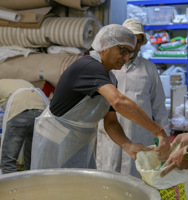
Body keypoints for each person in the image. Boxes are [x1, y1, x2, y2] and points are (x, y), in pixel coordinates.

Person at [30, 24, 171, 170]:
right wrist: (158, 131)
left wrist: (127, 145)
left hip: (79, 143)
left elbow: (110, 122)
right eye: (123, 50)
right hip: (55, 140)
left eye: (129, 52)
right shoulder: (89, 67)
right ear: (105, 45)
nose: (127, 57)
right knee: (53, 188)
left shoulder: (110, 77)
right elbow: (119, 101)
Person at [96, 19, 170, 178]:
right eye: (130, 39)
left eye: (138, 40)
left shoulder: (149, 69)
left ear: (143, 43)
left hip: (139, 135)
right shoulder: (107, 66)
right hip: (110, 132)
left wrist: (165, 136)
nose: (134, 44)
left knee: (137, 182)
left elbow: (159, 107)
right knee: (108, 180)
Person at [0, 79, 49, 174]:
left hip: (21, 109)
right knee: (31, 158)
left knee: (8, 161)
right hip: (42, 111)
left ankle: (12, 188)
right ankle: (30, 186)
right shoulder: (15, 82)